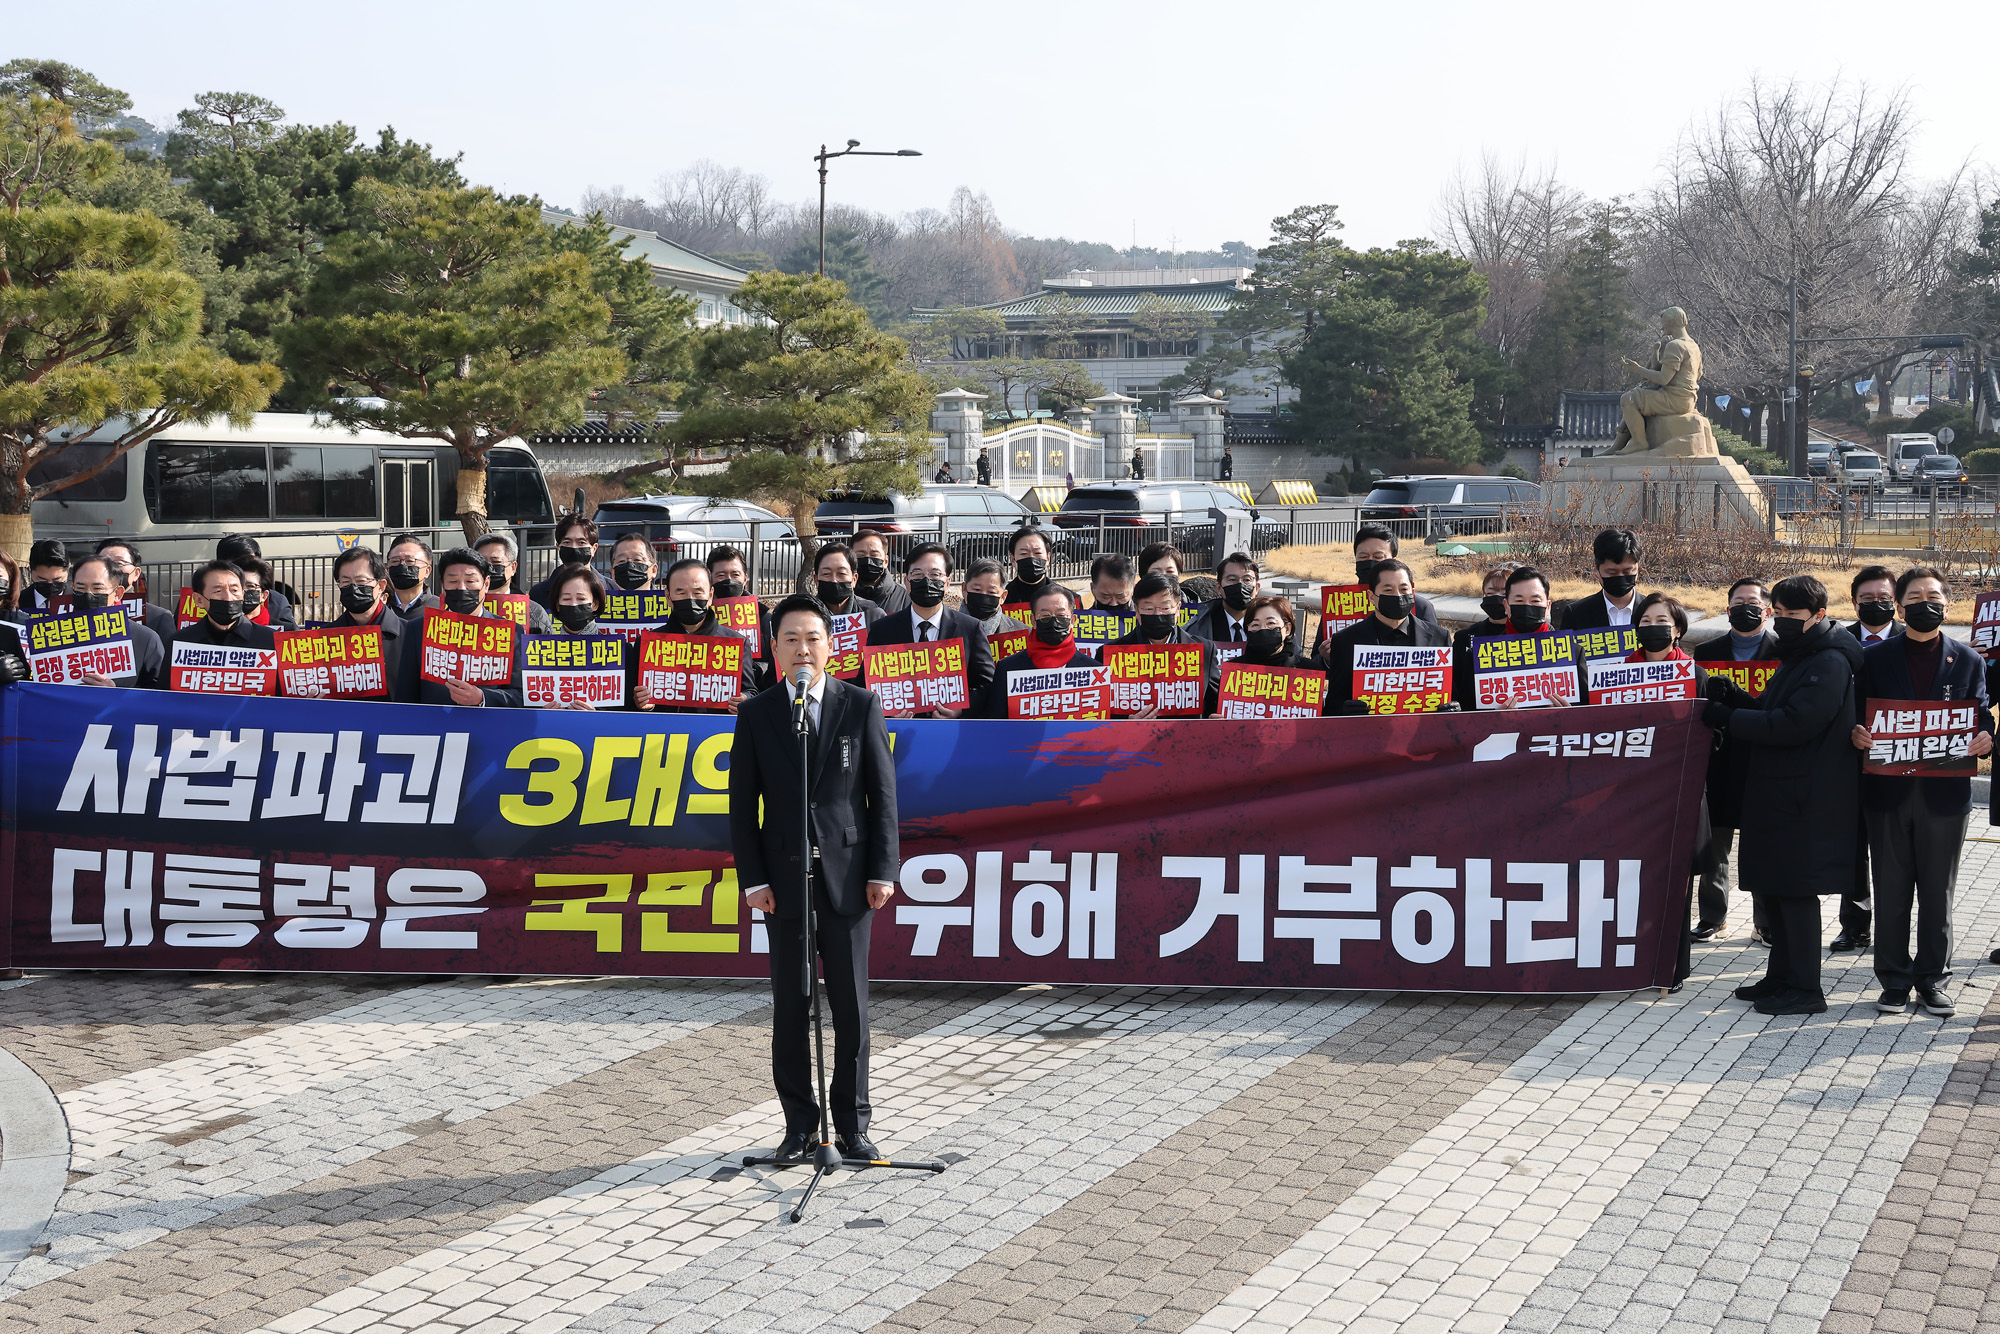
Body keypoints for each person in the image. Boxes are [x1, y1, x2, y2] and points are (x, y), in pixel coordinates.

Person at [730, 593, 898, 1165]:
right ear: (773, 649)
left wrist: (882, 868)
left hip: (850, 880)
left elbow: (882, 797)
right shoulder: (757, 713)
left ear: (831, 646)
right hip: (783, 883)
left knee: (850, 1007)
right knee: (790, 1005)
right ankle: (799, 1125)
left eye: (813, 639)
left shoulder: (860, 705)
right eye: (791, 640)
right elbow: (740, 806)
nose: (803, 649)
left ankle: (852, 1125)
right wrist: (754, 879)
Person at [1702, 575, 1864, 1016]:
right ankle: (1781, 976)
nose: (1785, 622)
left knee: (1795, 892)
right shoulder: (1800, 655)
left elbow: (1795, 724)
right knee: (1775, 887)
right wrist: (1736, 699)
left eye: (1796, 615)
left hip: (1806, 797)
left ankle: (1806, 988)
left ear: (1820, 616)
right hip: (1780, 793)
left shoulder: (1829, 662)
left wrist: (1727, 718)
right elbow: (1773, 712)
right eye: (1782, 613)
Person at [1850, 566, 1992, 1017]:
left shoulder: (1968, 660)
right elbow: (1855, 714)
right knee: (1891, 891)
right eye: (1914, 596)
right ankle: (1893, 980)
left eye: (1933, 596)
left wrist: (1987, 738)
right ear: (1900, 605)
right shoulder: (1873, 659)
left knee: (1938, 892)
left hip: (1945, 796)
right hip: (1887, 792)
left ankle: (1933, 978)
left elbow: (1982, 714)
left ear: (1946, 605)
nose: (1924, 603)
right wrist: (1856, 734)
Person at [1629, 592, 1714, 991]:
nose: (1653, 628)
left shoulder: (1697, 676)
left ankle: (1672, 969)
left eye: (1661, 620)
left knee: (1676, 887)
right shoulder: (1612, 674)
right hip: (1629, 797)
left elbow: (1710, 736)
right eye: (1645, 621)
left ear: (1678, 629)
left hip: (1679, 793)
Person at [1691, 579, 1780, 943]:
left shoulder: (1784, 652)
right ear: (1727, 609)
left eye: (1753, 602)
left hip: (1764, 755)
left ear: (1768, 611)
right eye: (1737, 602)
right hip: (1719, 756)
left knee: (1765, 843)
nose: (1745, 608)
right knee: (1715, 843)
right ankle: (1714, 916)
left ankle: (1767, 921)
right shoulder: (1706, 651)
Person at [864, 542, 995, 717]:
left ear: (947, 582)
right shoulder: (883, 629)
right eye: (917, 574)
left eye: (935, 575)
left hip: (951, 734)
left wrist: (961, 709)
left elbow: (987, 684)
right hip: (899, 734)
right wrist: (886, 712)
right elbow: (866, 684)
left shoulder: (970, 628)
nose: (926, 581)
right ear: (907, 582)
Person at [393, 547, 527, 707]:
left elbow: (520, 696)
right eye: (453, 581)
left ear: (486, 584)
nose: (461, 588)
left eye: (470, 581)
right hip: (433, 727)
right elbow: (405, 696)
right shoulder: (419, 629)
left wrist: (482, 698)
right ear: (443, 585)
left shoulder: (511, 632)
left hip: (486, 728)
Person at [1321, 559, 1453, 712]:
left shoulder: (1439, 638)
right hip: (1368, 732)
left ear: (1413, 592)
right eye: (1388, 590)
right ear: (1371, 597)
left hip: (1423, 732)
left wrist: (1452, 709)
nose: (1397, 595)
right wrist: (1345, 710)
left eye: (1404, 589)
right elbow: (1332, 704)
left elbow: (1453, 692)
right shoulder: (1345, 641)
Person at [1099, 572, 1221, 717]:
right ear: (1136, 610)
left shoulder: (1204, 650)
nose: (1157, 614)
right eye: (1149, 609)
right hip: (1134, 737)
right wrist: (1126, 725)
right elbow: (1101, 714)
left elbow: (1215, 705)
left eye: (1165, 608)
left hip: (1187, 737)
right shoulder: (1110, 653)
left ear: (1178, 608)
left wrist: (1217, 718)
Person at [649, 558, 759, 709]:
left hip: (716, 732)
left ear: (710, 595)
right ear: (668, 596)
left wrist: (744, 699)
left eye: (698, 592)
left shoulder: (735, 643)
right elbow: (632, 700)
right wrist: (642, 702)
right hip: (663, 732)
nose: (690, 599)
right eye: (681, 593)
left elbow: (750, 690)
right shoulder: (649, 643)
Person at [977, 585, 1101, 717]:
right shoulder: (1008, 668)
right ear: (1033, 621)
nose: (1053, 622)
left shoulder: (1093, 671)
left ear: (1072, 621)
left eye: (1061, 615)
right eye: (1045, 616)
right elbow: (995, 722)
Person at [167, 560, 279, 690]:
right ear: (199, 600)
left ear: (243, 594)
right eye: (218, 591)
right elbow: (166, 695)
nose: (228, 598)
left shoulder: (269, 641)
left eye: (234, 590)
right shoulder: (181, 642)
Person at [66, 556, 166, 689]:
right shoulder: (53, 635)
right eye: (80, 587)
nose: (88, 594)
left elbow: (160, 692)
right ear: (72, 587)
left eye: (97, 589)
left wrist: (116, 692)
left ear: (118, 593)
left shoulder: (145, 639)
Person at [1190, 552, 1299, 658]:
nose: (1240, 585)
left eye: (1247, 580)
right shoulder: (1199, 623)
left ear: (1257, 588)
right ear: (1218, 588)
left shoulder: (1274, 623)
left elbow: (1295, 661)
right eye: (1232, 580)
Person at [1451, 561, 1517, 710]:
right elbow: (1456, 683)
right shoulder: (1465, 637)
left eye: (1503, 593)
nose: (1496, 598)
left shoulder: (1526, 636)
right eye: (1490, 593)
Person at [707, 543, 775, 687]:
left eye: (735, 574)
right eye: (721, 575)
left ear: (745, 578)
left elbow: (776, 669)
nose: (729, 580)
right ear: (710, 579)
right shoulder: (700, 621)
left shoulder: (767, 622)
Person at [1557, 527, 1643, 630]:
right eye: (1612, 572)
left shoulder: (1655, 611)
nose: (1620, 577)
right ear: (1597, 569)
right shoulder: (1576, 614)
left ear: (1638, 567)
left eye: (1627, 571)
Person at [93, 539, 176, 641]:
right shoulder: (78, 613)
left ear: (136, 573)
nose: (111, 568)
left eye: (119, 563)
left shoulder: (158, 617)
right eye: (104, 562)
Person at [474, 532, 555, 632]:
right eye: (482, 562)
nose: (489, 568)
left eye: (496, 562)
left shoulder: (533, 613)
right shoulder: (462, 607)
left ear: (513, 567)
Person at [215, 535, 300, 625]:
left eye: (250, 562)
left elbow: (291, 635)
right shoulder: (206, 597)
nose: (243, 570)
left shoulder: (275, 601)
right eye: (237, 565)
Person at [529, 516, 600, 610]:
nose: (574, 548)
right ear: (558, 546)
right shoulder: (538, 593)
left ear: (594, 549)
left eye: (581, 542)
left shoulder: (610, 588)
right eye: (567, 542)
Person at [1003, 525, 1079, 611]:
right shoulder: (1002, 600)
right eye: (1023, 553)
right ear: (1013, 559)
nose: (1031, 558)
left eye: (1037, 553)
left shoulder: (1069, 600)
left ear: (1048, 558)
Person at [813, 544, 886, 628]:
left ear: (854, 579)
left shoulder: (872, 615)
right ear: (816, 580)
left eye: (841, 573)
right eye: (826, 574)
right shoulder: (803, 616)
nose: (834, 580)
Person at [1237, 595, 1312, 669]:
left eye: (1271, 623)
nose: (1263, 629)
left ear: (1287, 629)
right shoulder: (1231, 671)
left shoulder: (1308, 671)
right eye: (1255, 624)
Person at [848, 530, 911, 616]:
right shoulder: (843, 599)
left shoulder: (906, 598)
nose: (868, 561)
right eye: (860, 555)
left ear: (886, 561)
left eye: (874, 555)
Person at [960, 558, 1022, 641]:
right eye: (977, 589)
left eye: (991, 592)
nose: (983, 596)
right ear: (964, 589)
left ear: (1003, 597)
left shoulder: (1021, 635)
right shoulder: (943, 628)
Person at [234, 556, 300, 632]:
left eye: (250, 586)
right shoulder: (221, 629)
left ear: (264, 595)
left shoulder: (284, 631)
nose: (243, 591)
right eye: (237, 585)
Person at [384, 534, 440, 621]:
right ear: (387, 570)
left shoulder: (441, 608)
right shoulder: (377, 607)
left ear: (427, 571)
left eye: (410, 561)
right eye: (395, 561)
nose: (402, 565)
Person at [1846, 565, 1901, 646]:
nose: (1876, 603)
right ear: (1854, 602)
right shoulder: (1839, 639)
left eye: (1884, 598)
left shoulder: (1910, 640)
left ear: (1896, 602)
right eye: (1867, 598)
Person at [25, 539, 69, 613]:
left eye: (57, 580)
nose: (50, 585)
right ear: (30, 570)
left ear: (68, 567)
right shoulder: (15, 604)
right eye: (42, 580)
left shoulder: (80, 603)